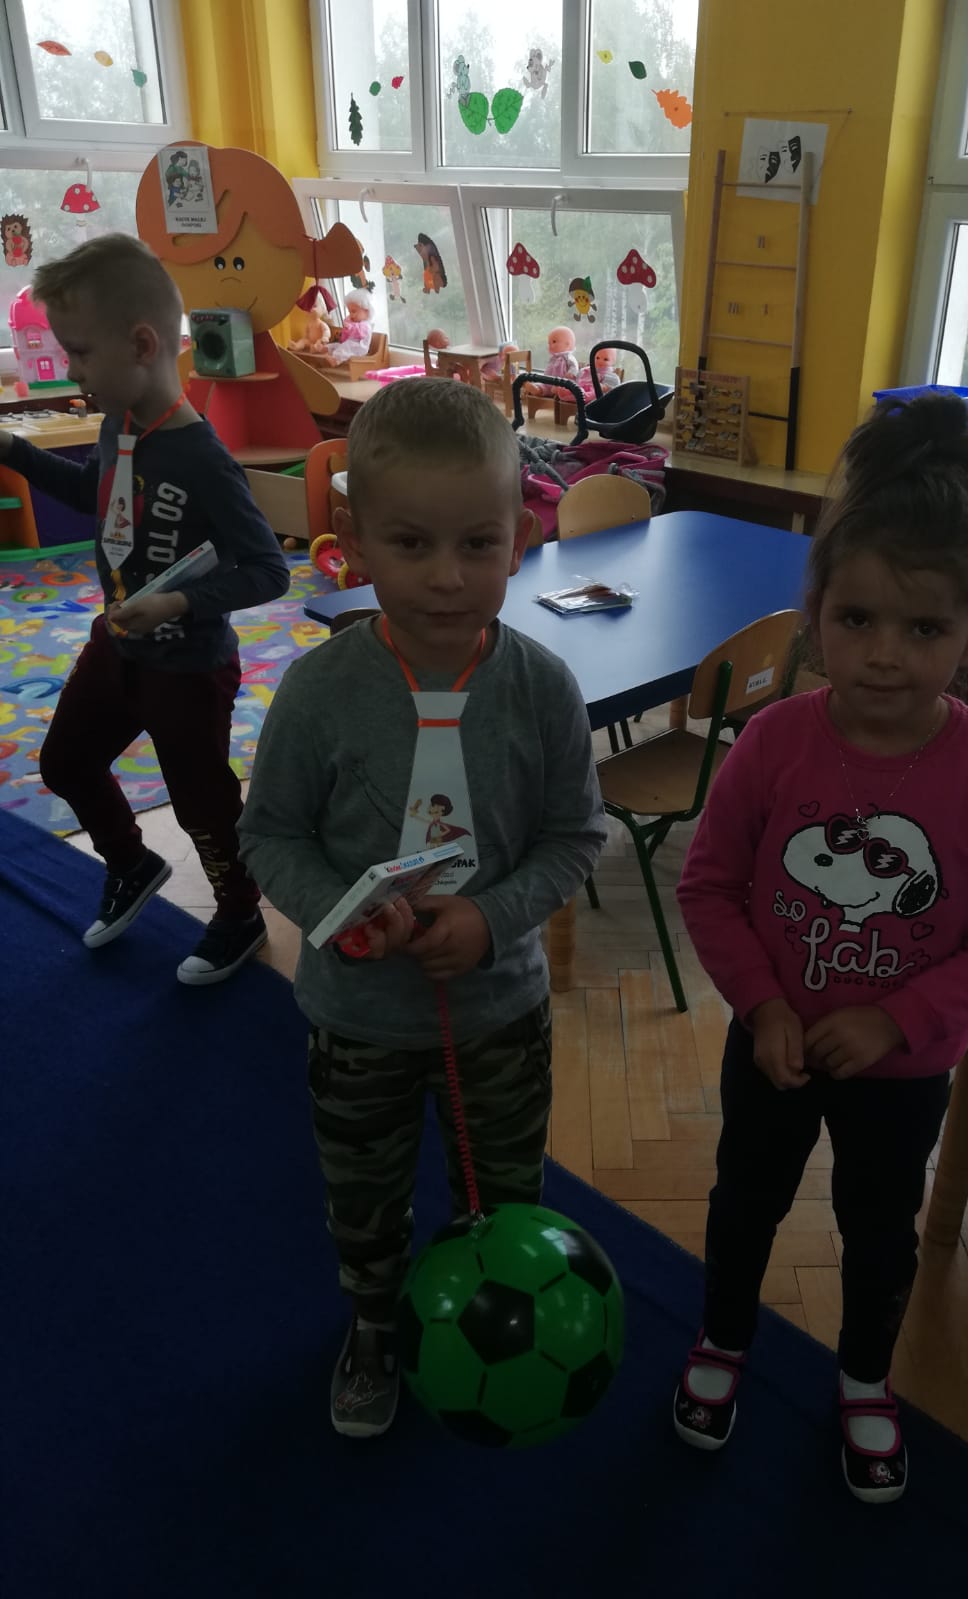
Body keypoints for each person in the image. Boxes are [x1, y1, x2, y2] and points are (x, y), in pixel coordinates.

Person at [672, 394, 968, 1502]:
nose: (884, 656)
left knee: (880, 1231)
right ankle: (724, 1338)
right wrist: (762, 1006)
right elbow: (709, 885)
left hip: (904, 1073)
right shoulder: (774, 741)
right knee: (745, 1202)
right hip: (775, 1048)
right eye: (857, 619)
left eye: (923, 630)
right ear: (815, 614)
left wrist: (897, 1019)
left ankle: (866, 1380)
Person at [238, 377, 606, 1439]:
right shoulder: (318, 693)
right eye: (411, 544)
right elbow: (271, 836)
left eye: (478, 545)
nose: (447, 577)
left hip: (500, 1014)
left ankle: (507, 1314)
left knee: (506, 1187)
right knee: (364, 1191)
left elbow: (575, 837)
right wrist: (338, 913)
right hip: (358, 1020)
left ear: (520, 538)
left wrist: (492, 919)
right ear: (355, 542)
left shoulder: (543, 689)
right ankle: (372, 1320)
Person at [0, 234, 290, 983]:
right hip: (118, 647)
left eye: (79, 352)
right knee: (65, 761)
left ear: (140, 344)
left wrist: (181, 600)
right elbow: (95, 497)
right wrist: (15, 451)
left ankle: (240, 913)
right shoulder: (120, 422)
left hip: (188, 668)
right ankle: (131, 864)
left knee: (203, 804)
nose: (71, 370)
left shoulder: (202, 457)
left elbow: (268, 570)